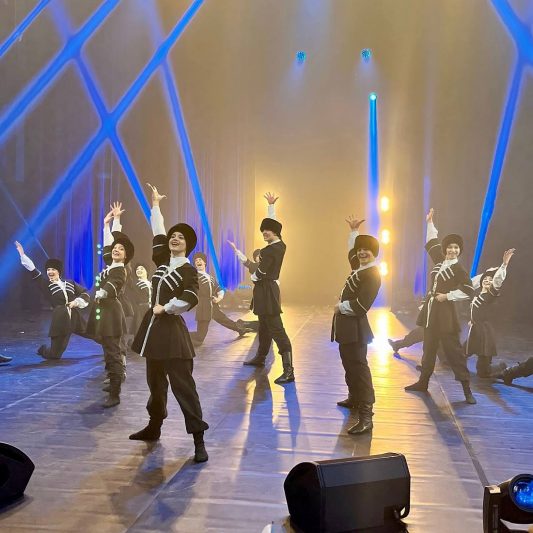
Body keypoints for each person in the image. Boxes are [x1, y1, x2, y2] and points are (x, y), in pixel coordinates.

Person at [130, 183, 209, 463]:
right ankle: (154, 427)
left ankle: (199, 440)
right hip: (153, 334)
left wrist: (167, 307)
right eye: (173, 236)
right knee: (155, 384)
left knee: (183, 387)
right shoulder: (162, 260)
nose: (174, 239)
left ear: (188, 245)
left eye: (180, 238)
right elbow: (158, 232)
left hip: (172, 334)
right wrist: (155, 205)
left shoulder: (188, 270)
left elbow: (190, 297)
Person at [405, 208, 476, 404]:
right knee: (428, 350)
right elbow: (432, 241)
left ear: (460, 250)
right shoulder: (440, 259)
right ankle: (423, 382)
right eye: (450, 247)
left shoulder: (459, 268)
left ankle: (467, 389)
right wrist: (429, 222)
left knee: (454, 353)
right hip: (430, 314)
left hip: (445, 316)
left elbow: (469, 290)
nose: (452, 250)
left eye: (456, 247)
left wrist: (448, 296)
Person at [238, 192, 294, 384]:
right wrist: (270, 207)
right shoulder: (277, 246)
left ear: (276, 232)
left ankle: (288, 369)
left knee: (277, 329)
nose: (264, 233)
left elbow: (261, 271)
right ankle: (260, 357)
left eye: (267, 231)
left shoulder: (274, 248)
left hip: (267, 289)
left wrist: (254, 276)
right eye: (263, 231)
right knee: (263, 326)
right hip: (264, 290)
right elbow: (272, 224)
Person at [333, 216, 381, 434]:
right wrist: (354, 232)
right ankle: (353, 398)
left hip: (356, 327)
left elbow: (361, 306)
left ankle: (366, 416)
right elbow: (352, 253)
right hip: (347, 327)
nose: (361, 253)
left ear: (374, 253)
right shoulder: (360, 268)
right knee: (348, 363)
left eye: (366, 250)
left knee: (359, 368)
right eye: (360, 250)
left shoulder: (372, 274)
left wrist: (340, 306)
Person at [86, 205, 134, 408]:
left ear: (126, 256)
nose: (116, 250)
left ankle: (115, 392)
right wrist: (108, 224)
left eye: (121, 249)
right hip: (105, 312)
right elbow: (109, 245)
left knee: (113, 351)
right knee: (107, 348)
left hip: (112, 312)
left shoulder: (120, 269)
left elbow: (113, 285)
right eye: (116, 248)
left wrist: (101, 292)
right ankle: (112, 381)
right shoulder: (111, 265)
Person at [14, 241, 90, 360]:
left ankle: (112, 346)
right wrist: (22, 255)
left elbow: (85, 293)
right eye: (48, 269)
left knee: (95, 334)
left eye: (53, 269)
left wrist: (77, 302)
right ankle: (43, 350)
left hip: (76, 318)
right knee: (55, 355)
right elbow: (33, 270)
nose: (50, 272)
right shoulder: (46, 285)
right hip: (61, 320)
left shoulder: (70, 283)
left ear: (58, 271)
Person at [465, 249, 514, 377]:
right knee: (460, 354)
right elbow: (470, 283)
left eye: (490, 280)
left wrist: (504, 265)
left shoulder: (491, 294)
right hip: (475, 331)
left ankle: (501, 367)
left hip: (484, 333)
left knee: (482, 372)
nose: (487, 280)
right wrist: (471, 320)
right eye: (485, 279)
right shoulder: (477, 296)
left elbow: (498, 280)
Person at [189, 252, 252, 346]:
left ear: (205, 262)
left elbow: (220, 290)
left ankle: (240, 330)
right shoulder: (194, 277)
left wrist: (218, 299)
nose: (198, 261)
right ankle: (181, 336)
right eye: (196, 261)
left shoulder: (210, 278)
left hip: (213, 305)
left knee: (224, 320)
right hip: (203, 307)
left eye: (200, 260)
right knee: (200, 337)